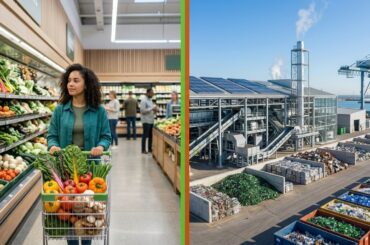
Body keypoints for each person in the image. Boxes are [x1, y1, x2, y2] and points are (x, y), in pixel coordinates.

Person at [47, 64, 111, 245]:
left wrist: (100, 145)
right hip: (65, 168)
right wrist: (53, 146)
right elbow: (51, 136)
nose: (70, 84)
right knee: (70, 213)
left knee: (88, 212)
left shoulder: (98, 110)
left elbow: (106, 136)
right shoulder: (60, 110)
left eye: (76, 80)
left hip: (90, 168)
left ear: (86, 84)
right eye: (68, 81)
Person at [140, 88, 158, 154]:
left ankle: (150, 149)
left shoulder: (150, 100)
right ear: (147, 93)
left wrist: (155, 110)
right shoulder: (143, 100)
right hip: (146, 121)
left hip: (151, 120)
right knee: (145, 135)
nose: (153, 94)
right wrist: (152, 108)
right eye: (151, 93)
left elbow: (150, 110)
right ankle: (143, 149)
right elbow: (142, 111)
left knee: (151, 135)